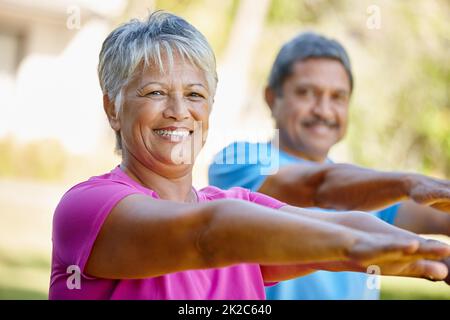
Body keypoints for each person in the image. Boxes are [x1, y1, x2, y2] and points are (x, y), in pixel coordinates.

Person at [49, 13, 450, 300]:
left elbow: (339, 218)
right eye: (154, 92)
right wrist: (352, 244)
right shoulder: (88, 206)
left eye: (195, 95)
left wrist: (437, 258)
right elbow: (206, 236)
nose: (178, 110)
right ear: (113, 108)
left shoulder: (239, 208)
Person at [208, 32, 450, 299]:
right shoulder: (239, 160)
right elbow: (318, 186)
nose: (323, 110)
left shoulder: (368, 189)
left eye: (337, 97)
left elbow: (440, 214)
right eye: (306, 93)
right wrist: (408, 182)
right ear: (271, 98)